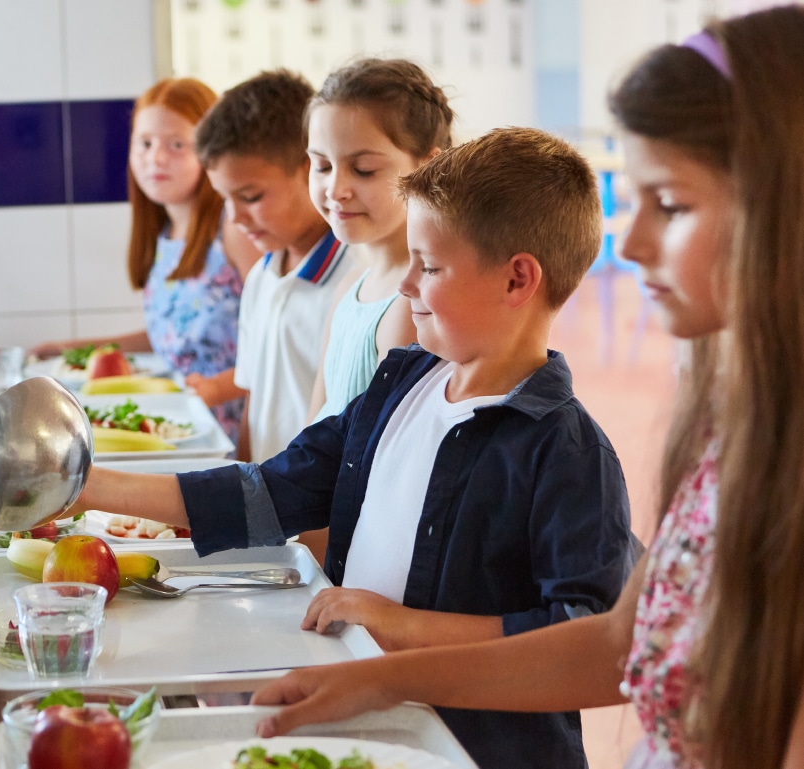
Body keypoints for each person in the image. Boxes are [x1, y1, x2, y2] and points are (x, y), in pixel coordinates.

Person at [250, 9, 804, 769]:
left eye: (669, 205)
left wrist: (392, 653)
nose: (632, 243)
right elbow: (617, 644)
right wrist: (376, 678)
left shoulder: (565, 443)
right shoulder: (735, 426)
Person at [73, 126, 637, 769]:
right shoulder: (401, 385)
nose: (406, 288)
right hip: (372, 730)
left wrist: (399, 624)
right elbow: (269, 491)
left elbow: (582, 642)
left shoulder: (566, 451)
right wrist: (83, 484)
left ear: (517, 280)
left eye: (430, 267)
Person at [30, 78, 259, 444]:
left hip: (226, 439)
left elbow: (277, 347)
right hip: (181, 428)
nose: (156, 158)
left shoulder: (234, 228)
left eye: (177, 144)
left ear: (212, 147)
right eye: (145, 143)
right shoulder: (166, 232)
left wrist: (225, 406)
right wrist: (70, 350)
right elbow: (170, 339)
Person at [193, 69, 351, 464]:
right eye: (225, 199)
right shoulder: (261, 278)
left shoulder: (357, 279)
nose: (236, 218)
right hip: (271, 514)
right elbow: (254, 401)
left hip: (322, 518)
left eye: (251, 196)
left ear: (311, 166)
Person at [305, 58, 450, 426]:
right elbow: (311, 431)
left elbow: (380, 453)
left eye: (364, 170)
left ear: (426, 168)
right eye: (322, 166)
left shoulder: (412, 307)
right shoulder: (350, 287)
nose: (336, 190)